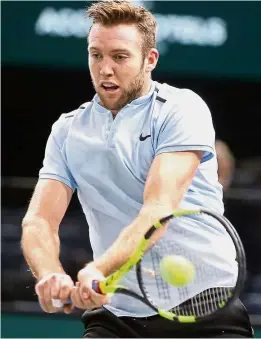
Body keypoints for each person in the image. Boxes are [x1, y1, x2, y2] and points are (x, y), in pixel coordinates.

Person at [21, 0, 253, 337]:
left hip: (205, 308)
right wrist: (49, 274)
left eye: (120, 56)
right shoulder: (67, 131)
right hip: (118, 316)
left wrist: (99, 267)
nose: (105, 69)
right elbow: (39, 221)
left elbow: (158, 209)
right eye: (96, 55)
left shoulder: (182, 109)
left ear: (150, 60)